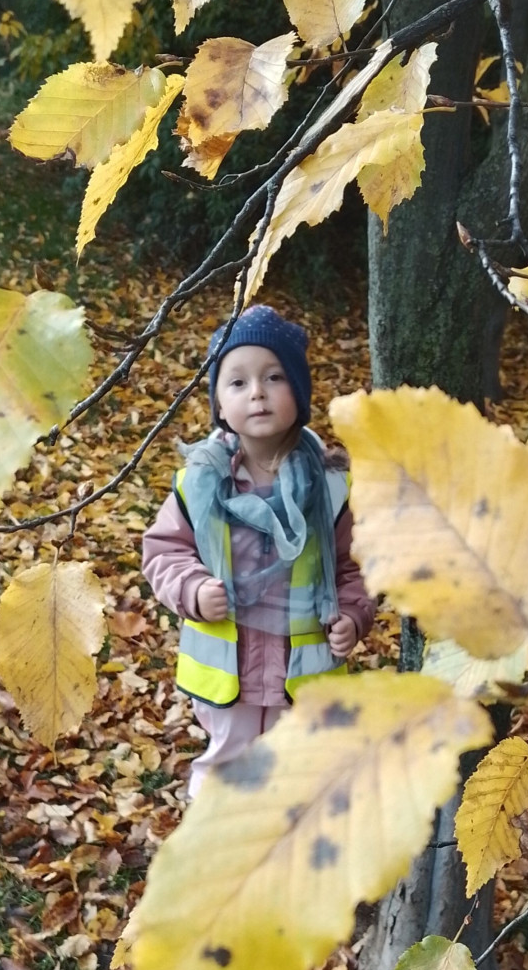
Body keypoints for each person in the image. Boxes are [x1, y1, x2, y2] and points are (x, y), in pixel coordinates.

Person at [142, 305, 375, 798]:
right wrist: (192, 589)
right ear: (219, 404)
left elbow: (356, 564)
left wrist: (354, 615)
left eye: (274, 377)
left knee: (300, 774)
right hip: (230, 672)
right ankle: (217, 838)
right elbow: (164, 551)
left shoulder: (331, 487)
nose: (257, 393)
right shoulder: (200, 483)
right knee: (228, 769)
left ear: (300, 392)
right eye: (238, 382)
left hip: (302, 673)